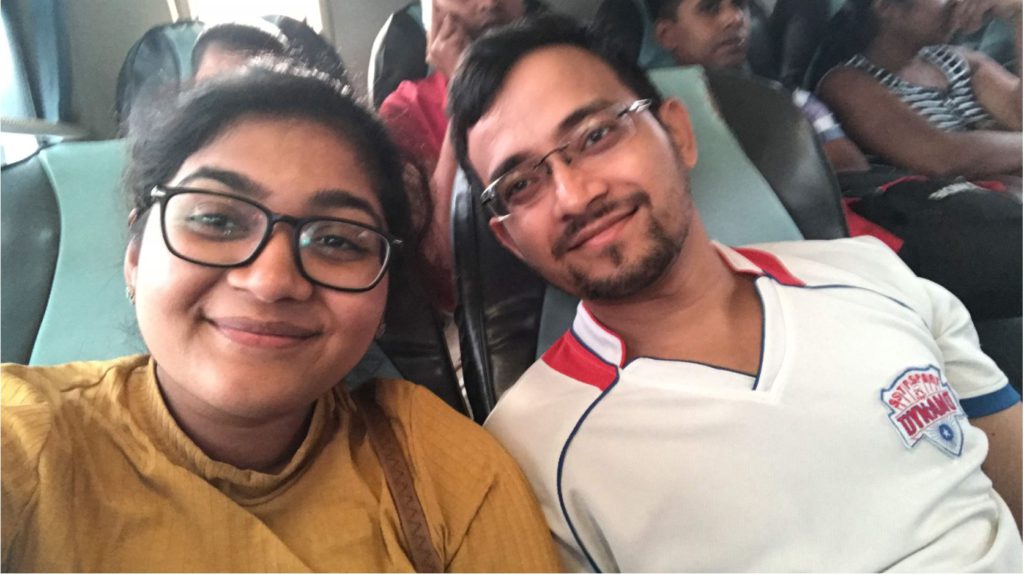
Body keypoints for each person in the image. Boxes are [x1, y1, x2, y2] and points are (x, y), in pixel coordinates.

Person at [447, 14, 1022, 571]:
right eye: (521, 184)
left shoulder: (871, 274)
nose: (574, 196)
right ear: (511, 241)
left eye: (596, 135)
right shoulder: (529, 453)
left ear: (678, 134)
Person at [0, 61, 561, 572]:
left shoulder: (446, 470)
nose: (271, 282)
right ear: (135, 257)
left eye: (337, 240)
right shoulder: (29, 439)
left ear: (384, 297)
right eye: (217, 221)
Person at [379, 0, 530, 311]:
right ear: (433, 9)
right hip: (484, 311)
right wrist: (464, 88)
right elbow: (441, 255)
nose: (489, 3)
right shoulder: (405, 109)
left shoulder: (571, 70)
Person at [646, 0, 869, 172]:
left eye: (740, 5)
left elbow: (849, 163)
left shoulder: (789, 99)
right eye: (710, 8)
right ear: (667, 35)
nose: (734, 18)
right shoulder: (653, 119)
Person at [816, 0, 1022, 179]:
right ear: (886, 7)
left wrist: (1019, 17)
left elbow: (1019, 116)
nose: (957, 2)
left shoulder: (961, 62)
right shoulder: (846, 84)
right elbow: (942, 158)